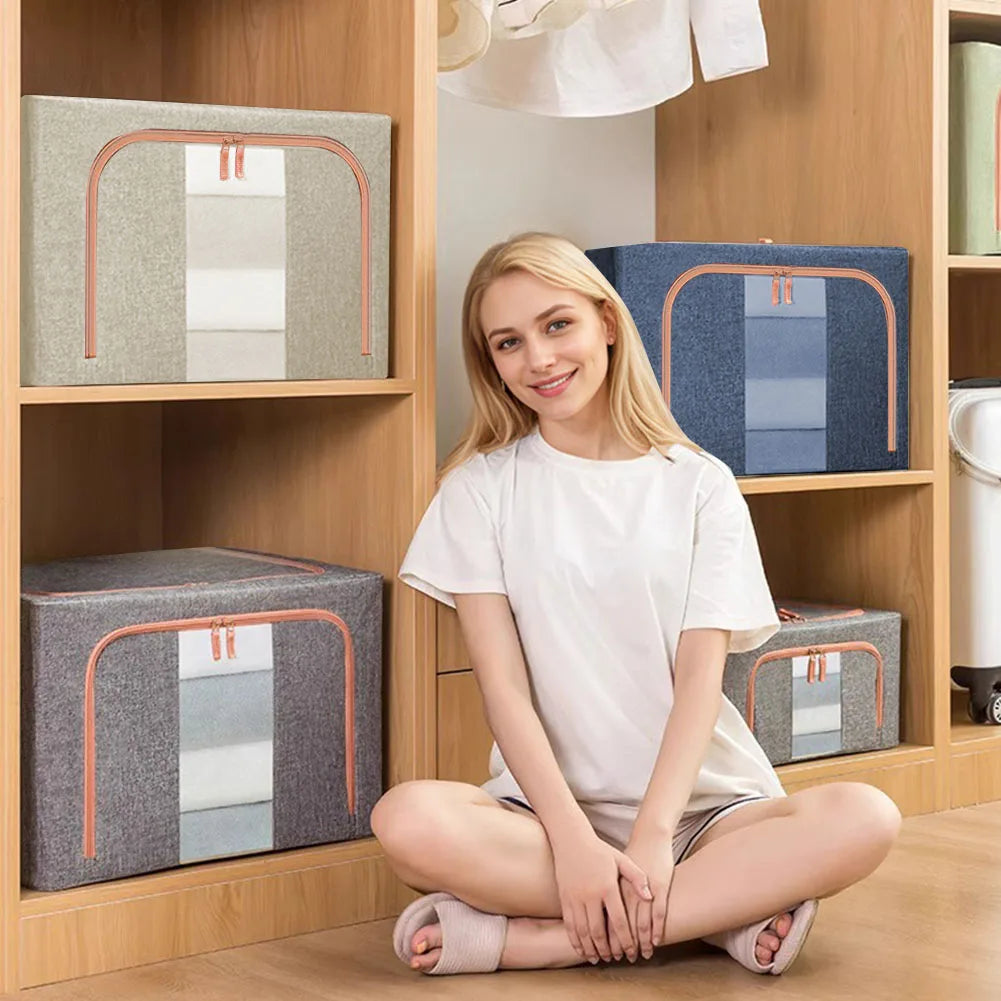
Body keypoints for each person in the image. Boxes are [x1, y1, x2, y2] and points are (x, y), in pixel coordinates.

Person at [372, 232, 902, 978]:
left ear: (607, 323)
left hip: (699, 812)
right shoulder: (477, 490)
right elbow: (503, 689)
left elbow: (698, 680)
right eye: (509, 342)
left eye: (558, 325)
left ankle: (530, 941)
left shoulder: (697, 483)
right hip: (543, 819)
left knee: (865, 817)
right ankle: (710, 918)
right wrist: (572, 838)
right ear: (491, 361)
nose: (540, 359)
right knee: (405, 820)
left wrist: (652, 835)